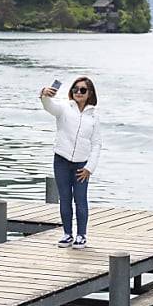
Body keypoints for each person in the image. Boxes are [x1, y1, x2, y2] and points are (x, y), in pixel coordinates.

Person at [40, 77, 102, 249]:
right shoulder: (64, 108)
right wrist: (44, 95)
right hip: (61, 160)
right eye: (75, 89)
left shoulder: (94, 117)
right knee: (65, 198)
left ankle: (81, 235)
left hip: (81, 165)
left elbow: (97, 144)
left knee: (80, 199)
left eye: (82, 90)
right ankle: (67, 234)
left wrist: (89, 168)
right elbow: (49, 106)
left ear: (90, 94)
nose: (78, 93)